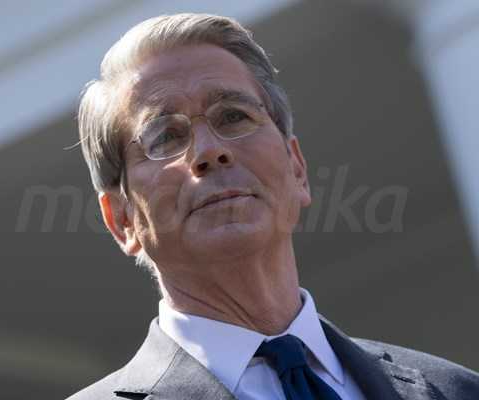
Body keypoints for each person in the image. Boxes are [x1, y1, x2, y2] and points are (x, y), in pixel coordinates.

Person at [68, 13, 479, 400]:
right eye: (165, 137)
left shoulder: (458, 390)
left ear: (297, 168)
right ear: (122, 219)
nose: (209, 150)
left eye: (233, 116)